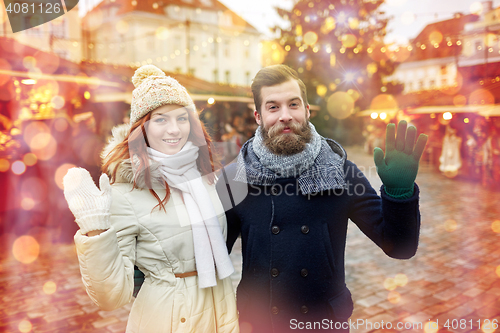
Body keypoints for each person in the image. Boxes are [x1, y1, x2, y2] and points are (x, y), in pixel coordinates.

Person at [215, 64, 428, 333]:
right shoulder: (235, 178)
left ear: (306, 110)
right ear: (258, 116)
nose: (285, 116)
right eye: (273, 107)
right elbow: (209, 254)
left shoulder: (340, 171)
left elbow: (400, 246)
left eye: (293, 104)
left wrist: (400, 193)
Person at [63, 65, 239, 333]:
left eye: (182, 118)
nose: (174, 129)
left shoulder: (204, 179)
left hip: (221, 311)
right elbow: (112, 297)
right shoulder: (126, 193)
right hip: (169, 320)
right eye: (160, 120)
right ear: (141, 129)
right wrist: (96, 230)